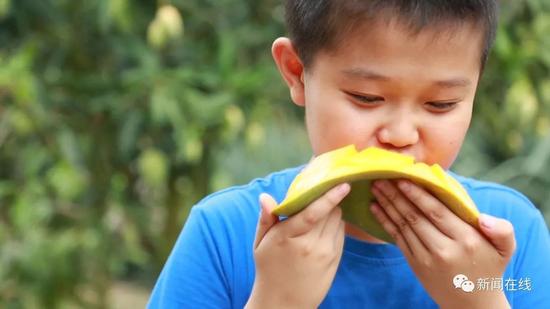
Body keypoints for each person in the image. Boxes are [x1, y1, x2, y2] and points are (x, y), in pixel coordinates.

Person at [148, 1, 550, 308]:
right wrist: (276, 300)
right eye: (367, 98)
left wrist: (479, 296)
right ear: (296, 71)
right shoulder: (222, 235)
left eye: (441, 104)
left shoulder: (511, 235)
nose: (400, 134)